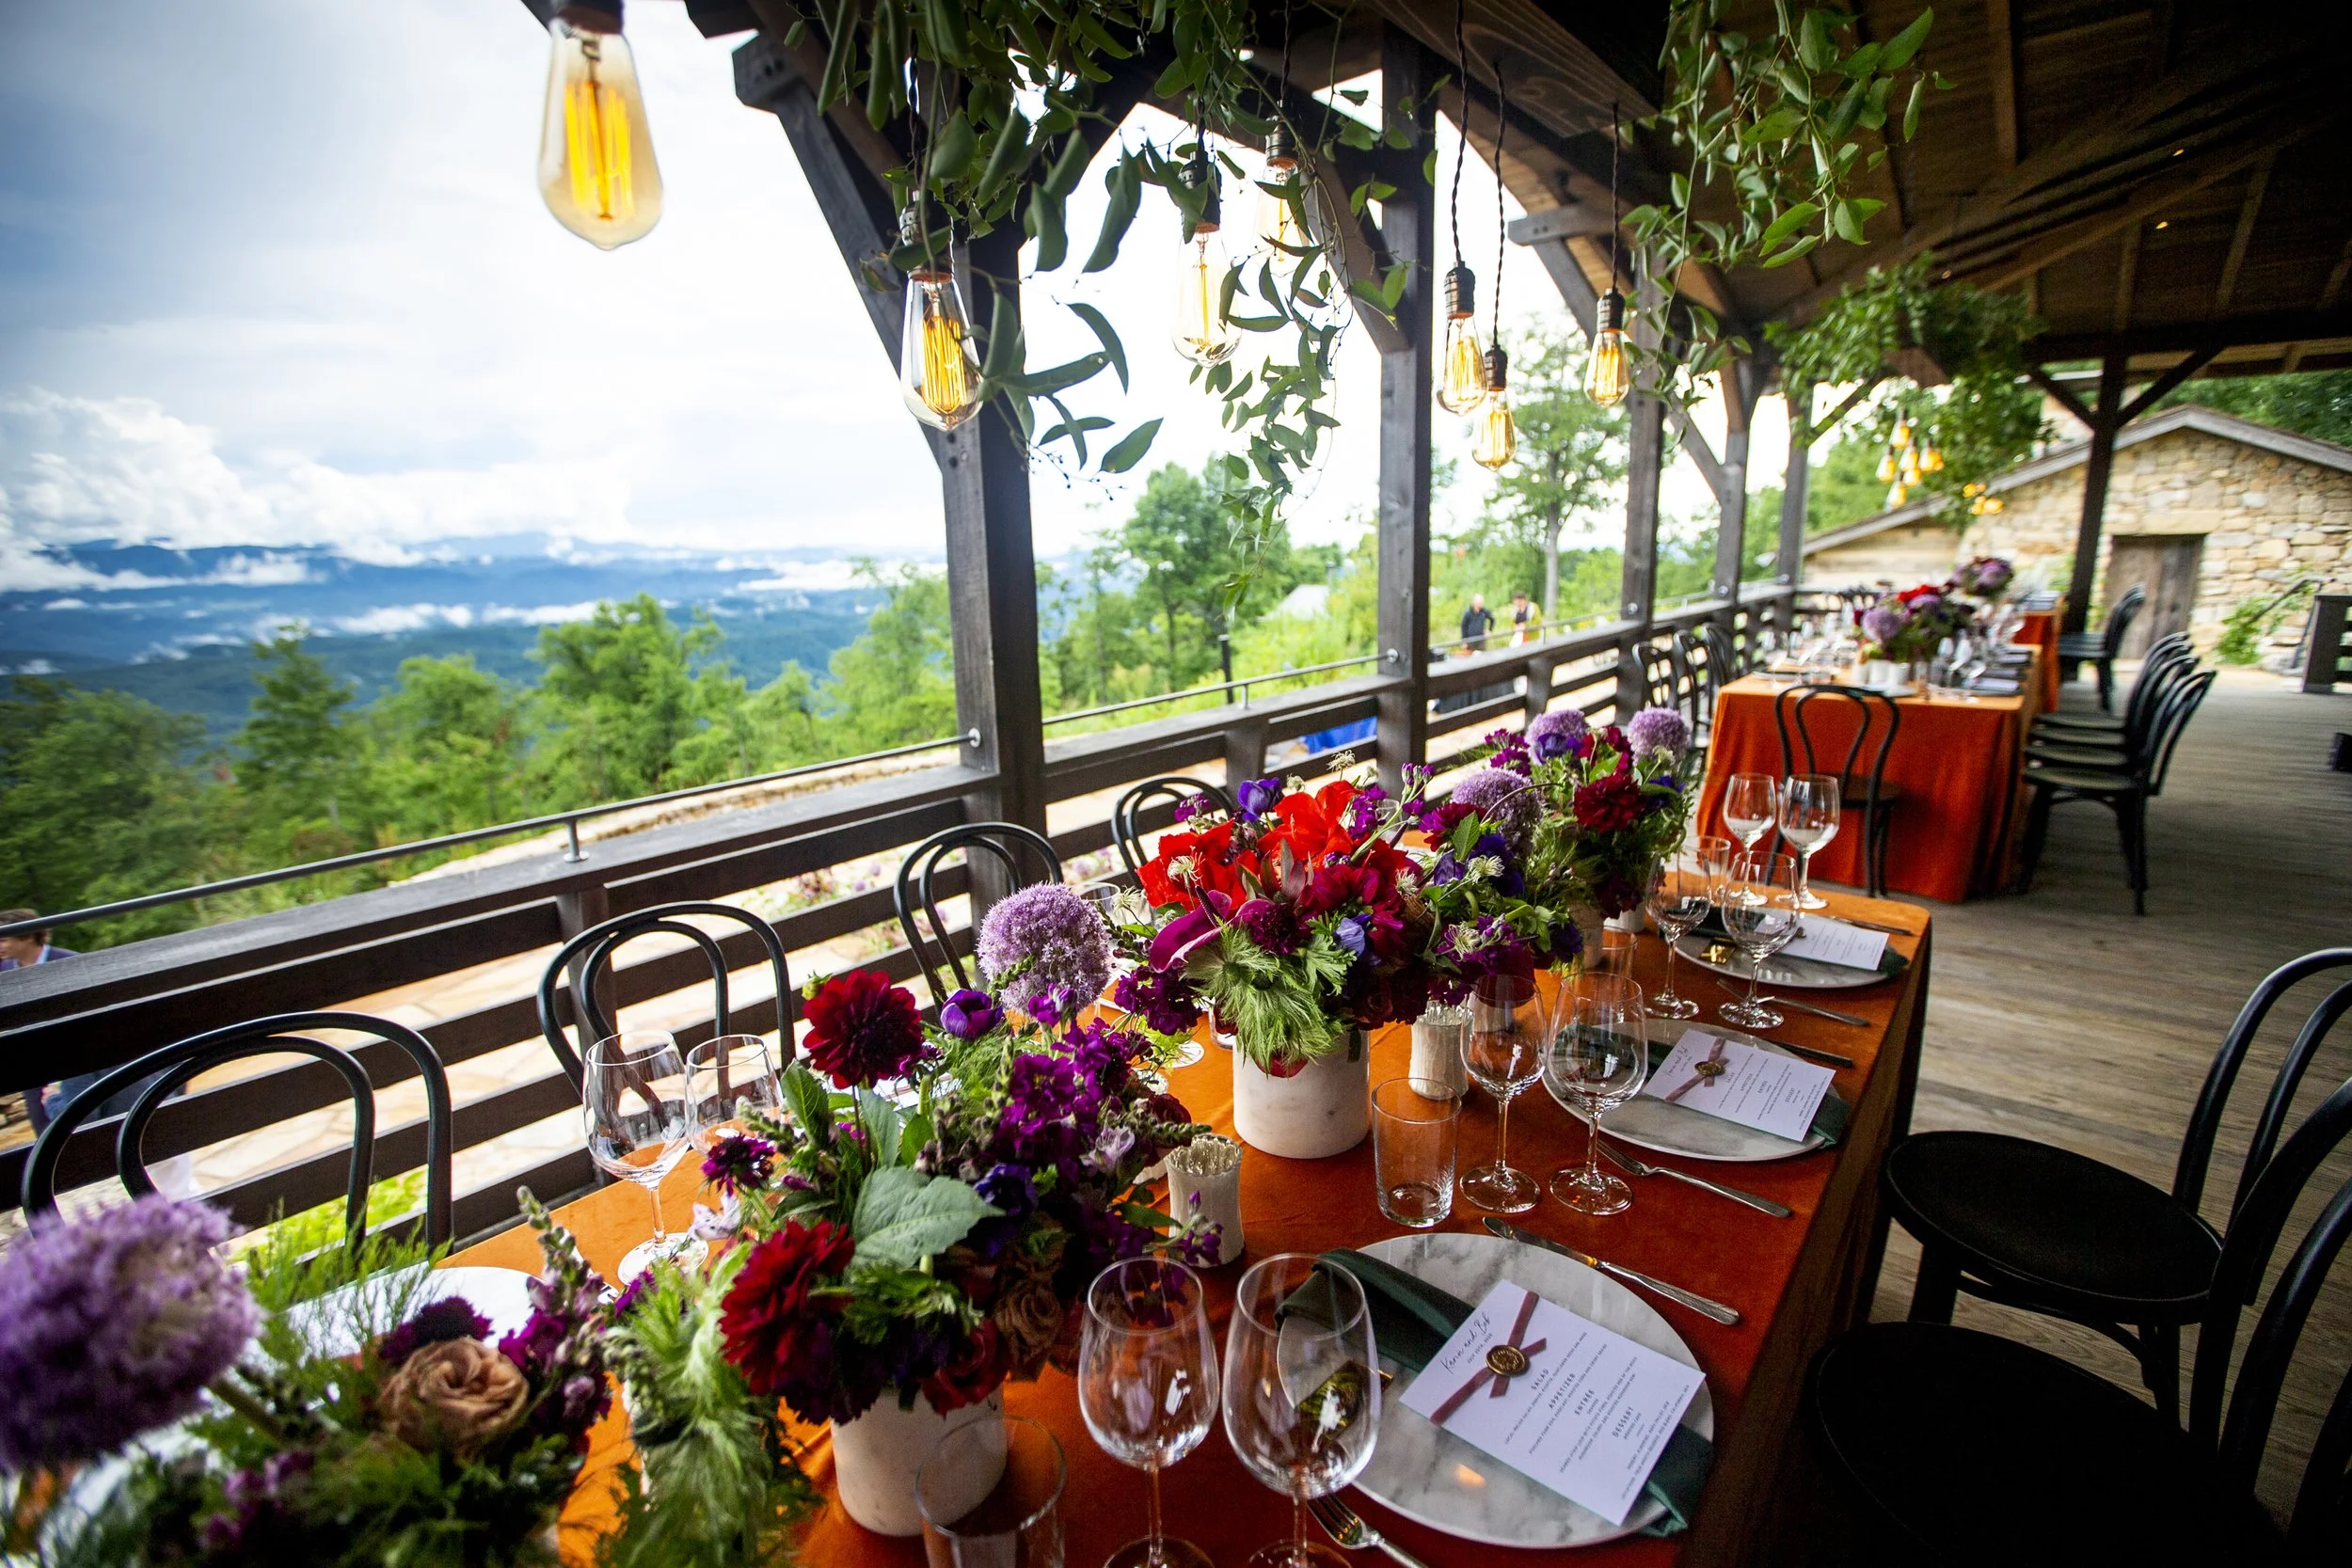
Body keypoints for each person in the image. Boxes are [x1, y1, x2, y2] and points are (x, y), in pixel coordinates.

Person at [2, 911, 79, 1134]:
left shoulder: (70, 962)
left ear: (27, 937)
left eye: (4, 938)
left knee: (76, 1122)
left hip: (73, 1056)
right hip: (30, 1059)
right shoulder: (4, 970)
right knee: (43, 1128)